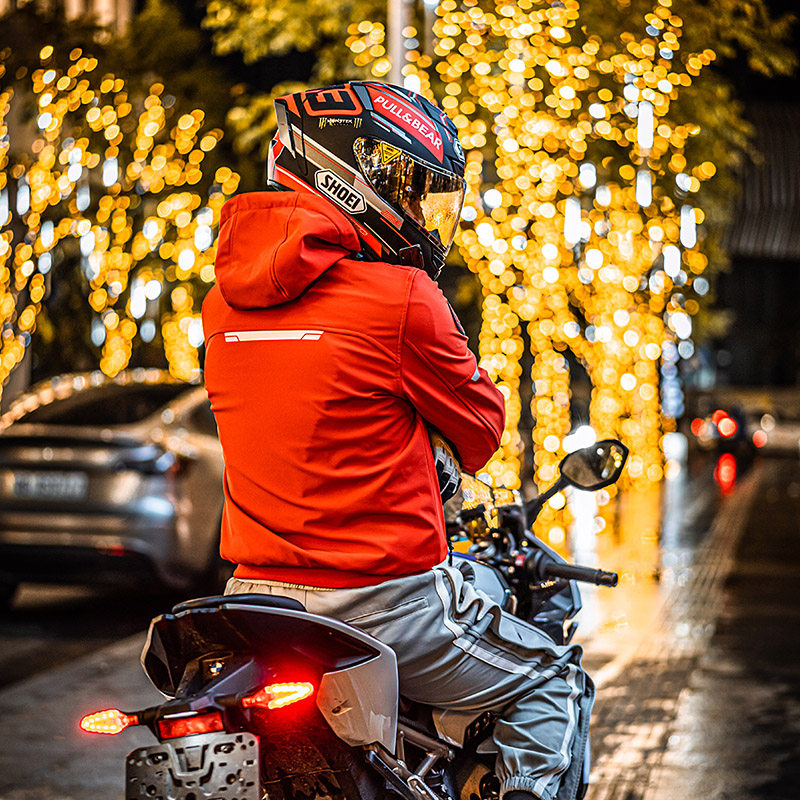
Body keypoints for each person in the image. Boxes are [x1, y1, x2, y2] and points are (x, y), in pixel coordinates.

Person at [202, 82, 593, 800]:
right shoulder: (403, 299)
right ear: (348, 172)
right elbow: (480, 434)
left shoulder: (223, 303)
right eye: (406, 186)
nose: (417, 213)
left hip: (255, 600)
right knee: (554, 679)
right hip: (384, 603)